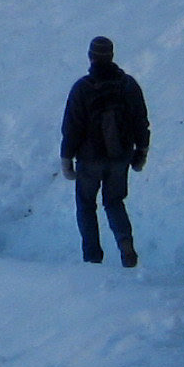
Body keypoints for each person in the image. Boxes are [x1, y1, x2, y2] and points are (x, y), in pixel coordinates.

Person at [60, 36, 149, 266]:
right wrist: (142, 149)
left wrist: (67, 158)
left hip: (89, 159)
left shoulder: (82, 88)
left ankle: (92, 257)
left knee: (86, 205)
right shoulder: (128, 85)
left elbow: (72, 126)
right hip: (120, 156)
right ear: (111, 56)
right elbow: (141, 119)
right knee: (115, 202)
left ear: (91, 57)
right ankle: (125, 245)